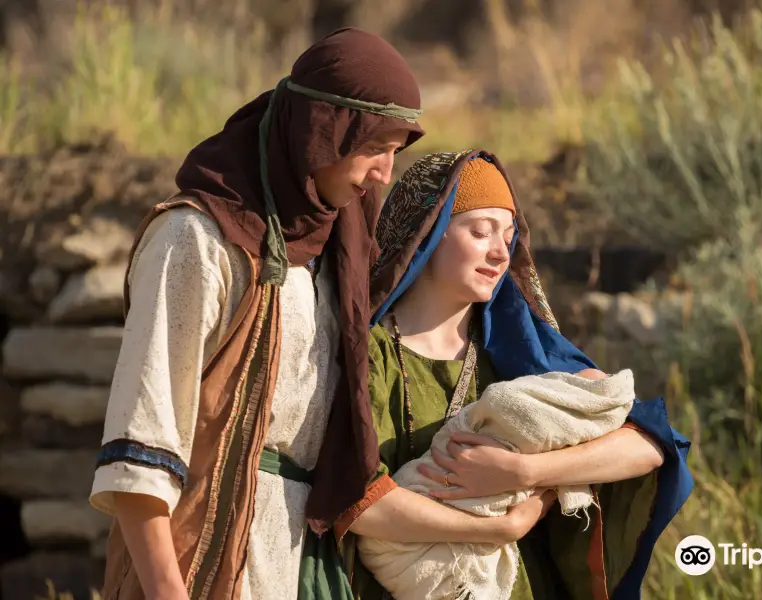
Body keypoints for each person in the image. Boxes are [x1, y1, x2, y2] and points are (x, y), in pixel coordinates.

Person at [89, 28, 430, 600]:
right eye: (375, 147)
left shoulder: (337, 256)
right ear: (324, 131)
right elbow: (140, 450)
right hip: (206, 561)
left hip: (303, 559)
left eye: (396, 152)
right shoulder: (196, 240)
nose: (384, 175)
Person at [334, 150, 694, 599]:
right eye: (479, 231)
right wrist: (501, 528)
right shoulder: (371, 356)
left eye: (509, 235)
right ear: (426, 235)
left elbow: (649, 446)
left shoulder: (516, 352)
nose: (500, 251)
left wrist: (524, 472)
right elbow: (355, 502)